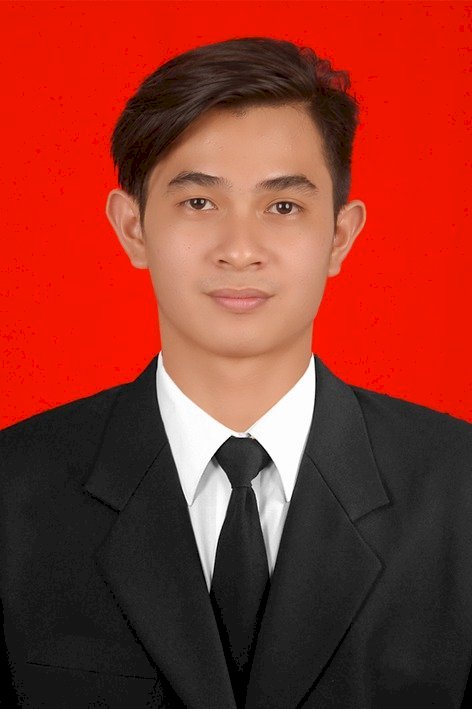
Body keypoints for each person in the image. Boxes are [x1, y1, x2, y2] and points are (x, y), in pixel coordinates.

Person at [1, 36, 471, 709]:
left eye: (283, 207)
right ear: (133, 228)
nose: (240, 250)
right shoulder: (13, 491)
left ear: (339, 237)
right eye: (199, 202)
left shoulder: (459, 489)